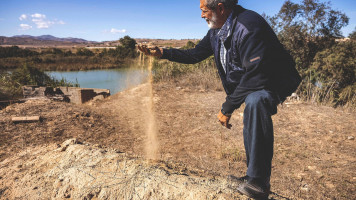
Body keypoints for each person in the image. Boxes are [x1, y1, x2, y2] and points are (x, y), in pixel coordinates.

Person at [138, 0, 301, 199]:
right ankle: (252, 177)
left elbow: (256, 75)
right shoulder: (217, 29)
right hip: (253, 77)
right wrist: (163, 52)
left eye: (204, 10)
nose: (201, 15)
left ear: (221, 8)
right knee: (251, 107)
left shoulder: (249, 26)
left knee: (256, 102)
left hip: (273, 79)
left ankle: (259, 183)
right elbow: (195, 54)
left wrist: (227, 107)